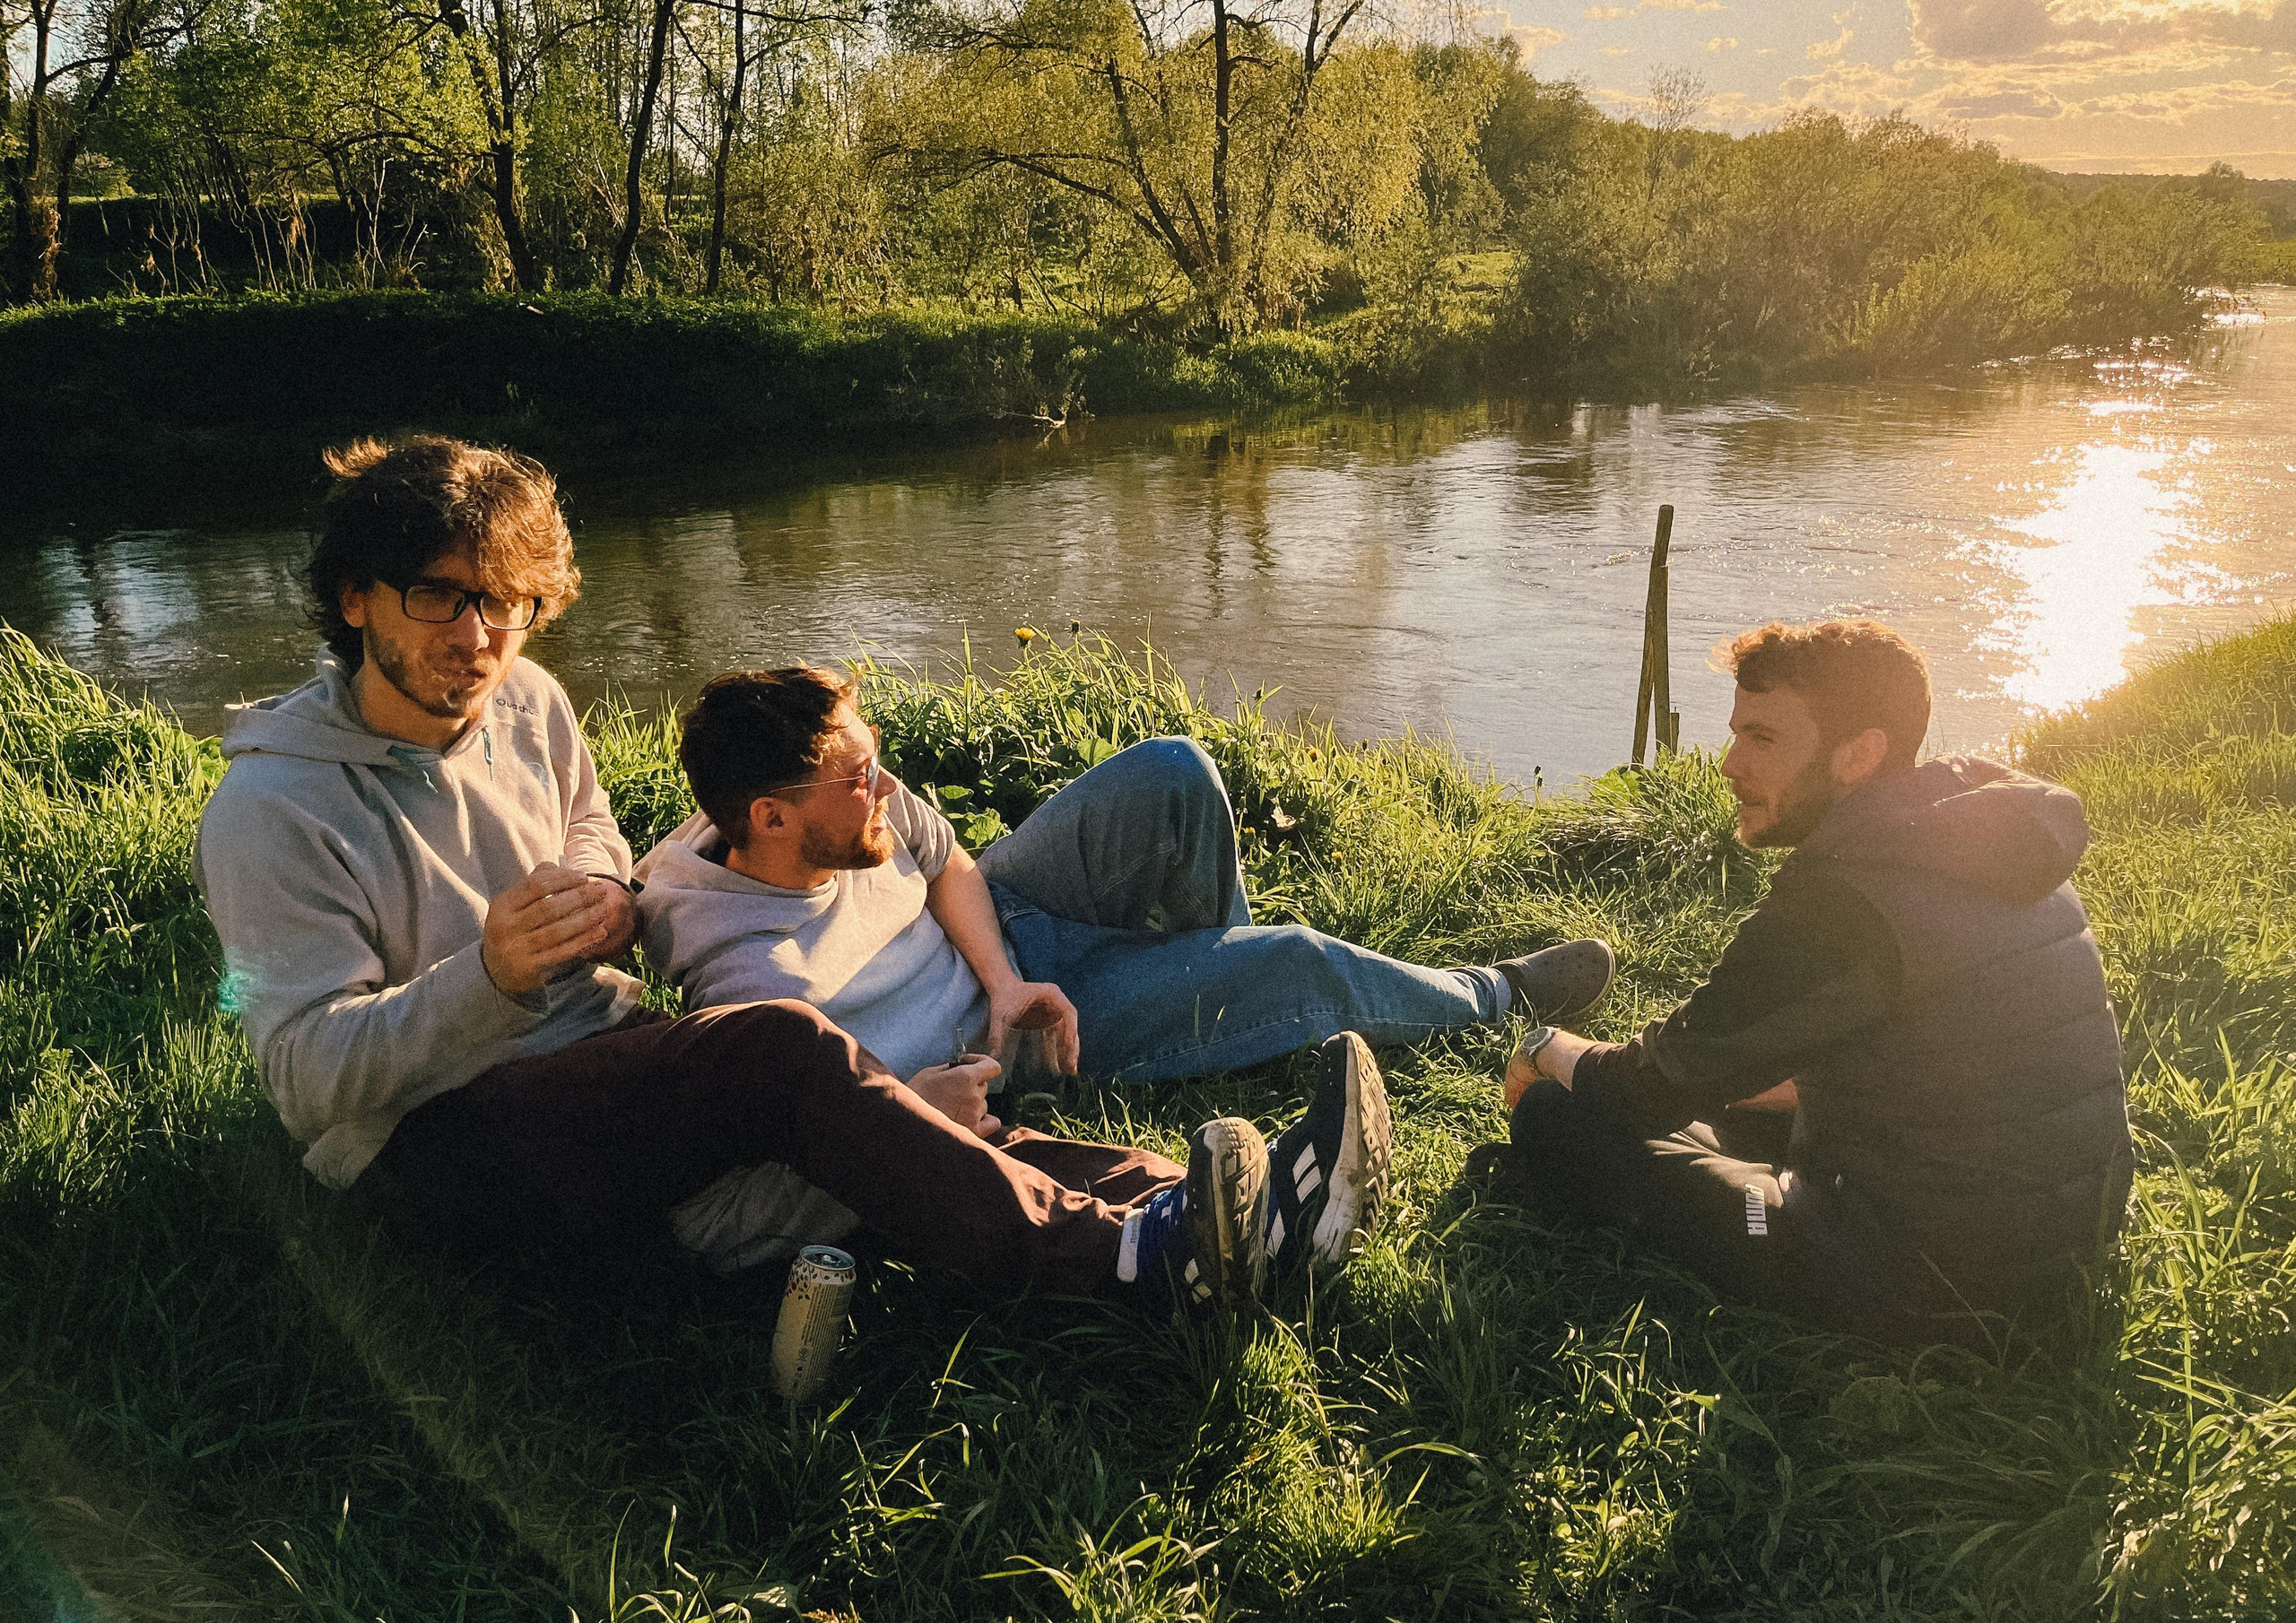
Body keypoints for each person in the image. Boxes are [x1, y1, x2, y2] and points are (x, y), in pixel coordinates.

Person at [191, 434, 1373, 1323]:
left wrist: (603, 898)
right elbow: (306, 1084)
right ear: (355, 599)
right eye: (440, 596)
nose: (479, 636)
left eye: (504, 602)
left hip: (595, 1060)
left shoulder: (529, 705)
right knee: (783, 1052)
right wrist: (489, 975)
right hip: (433, 1147)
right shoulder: (272, 810)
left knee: (863, 1132)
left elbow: (595, 833)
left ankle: (1219, 1213)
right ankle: (1139, 1269)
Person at [631, 668, 1617, 1257]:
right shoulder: (754, 980)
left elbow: (948, 858)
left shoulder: (770, 820)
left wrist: (1004, 970)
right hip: (1025, 1037)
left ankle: (1217, 985)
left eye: (875, 752)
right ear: (772, 819)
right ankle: (1491, 994)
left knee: (1173, 769)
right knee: (1298, 960)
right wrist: (937, 1097)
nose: (885, 782)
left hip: (1007, 942)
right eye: (859, 777)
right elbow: (813, 1145)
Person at [1473, 620, 2132, 1349]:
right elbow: (1907, 1060)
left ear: (1860, 753)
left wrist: (1548, 1045)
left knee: (1559, 1117)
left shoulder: (1842, 904)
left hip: (1929, 1283)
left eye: (1762, 738)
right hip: (2069, 1236)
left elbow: (1647, 1087)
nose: (1727, 763)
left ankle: (1755, 1202)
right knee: (1710, 1101)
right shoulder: (1994, 844)